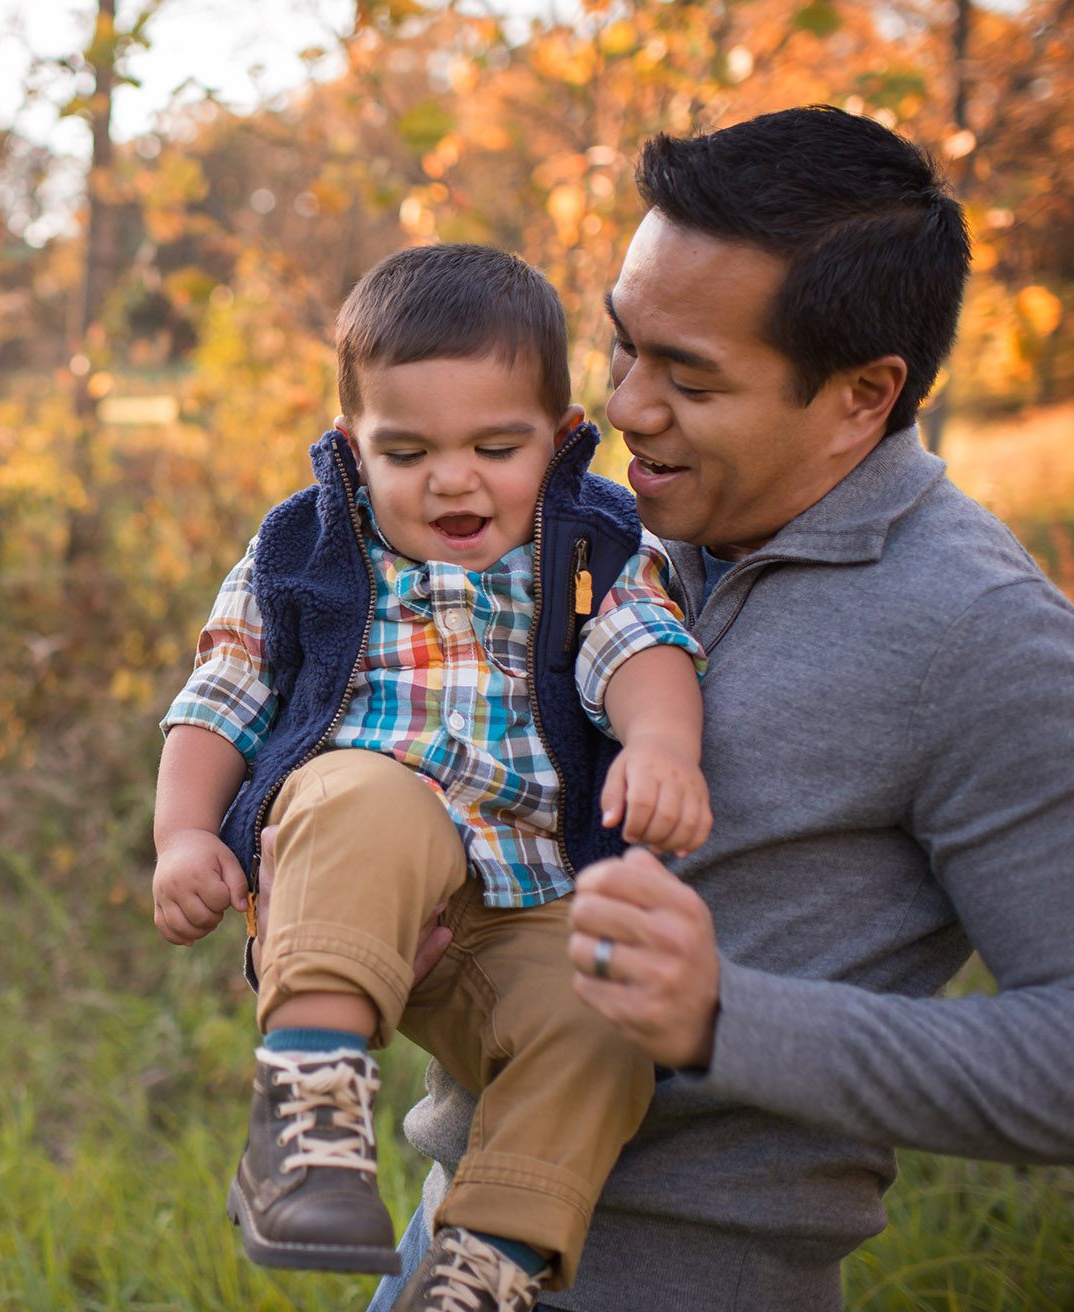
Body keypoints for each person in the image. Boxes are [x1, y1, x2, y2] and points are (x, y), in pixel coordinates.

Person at [363, 105, 1074, 1312]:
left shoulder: (983, 637)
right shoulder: (587, 526)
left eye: (688, 377)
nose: (625, 407)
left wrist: (730, 1016)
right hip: (437, 1252)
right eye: (624, 347)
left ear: (859, 397)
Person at [151, 243, 711, 1310]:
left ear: (557, 440)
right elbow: (219, 696)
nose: (452, 479)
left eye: (495, 445)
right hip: (355, 875)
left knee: (607, 1013)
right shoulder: (308, 549)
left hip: (516, 913)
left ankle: (481, 1263)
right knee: (365, 790)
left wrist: (659, 748)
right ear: (351, 448)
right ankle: (307, 1122)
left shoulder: (589, 544)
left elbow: (642, 648)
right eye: (406, 451)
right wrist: (184, 834)